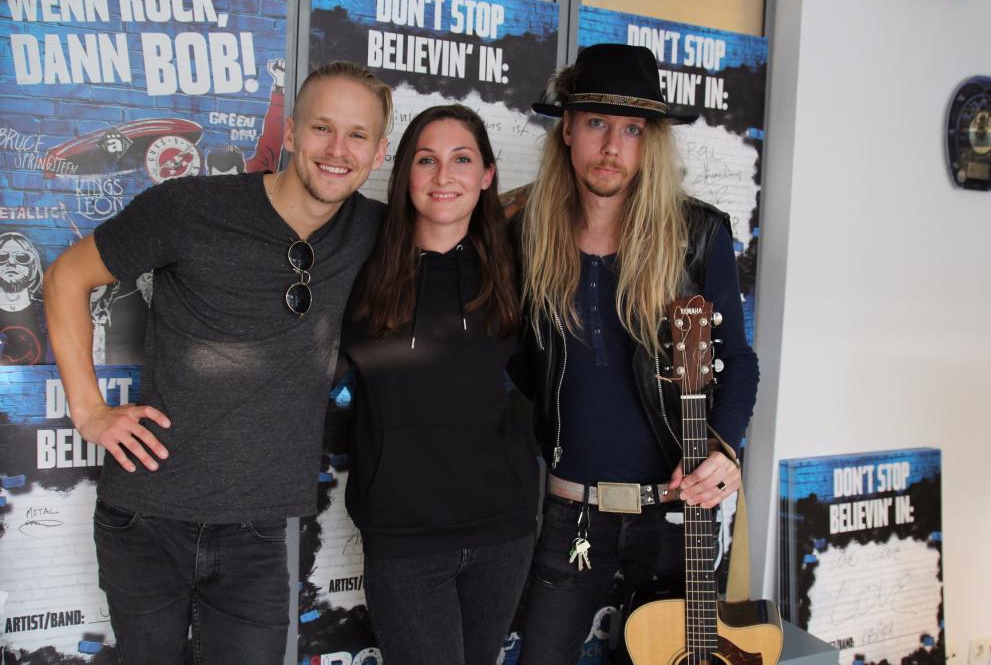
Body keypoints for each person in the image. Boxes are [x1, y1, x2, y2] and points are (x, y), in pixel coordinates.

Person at [42, 60, 392, 664]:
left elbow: (467, 212)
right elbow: (67, 276)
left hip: (259, 528)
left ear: (379, 151)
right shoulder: (188, 208)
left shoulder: (373, 228)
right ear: (288, 133)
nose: (338, 150)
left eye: (358, 135)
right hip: (146, 519)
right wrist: (90, 411)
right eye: (321, 128)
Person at [512, 44, 760, 664]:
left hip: (675, 518)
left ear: (650, 142)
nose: (612, 146)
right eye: (596, 122)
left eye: (632, 129)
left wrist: (726, 450)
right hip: (572, 515)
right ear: (567, 128)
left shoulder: (697, 234)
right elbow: (508, 368)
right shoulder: (522, 232)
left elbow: (738, 359)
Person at [342, 104, 539, 665]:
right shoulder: (359, 268)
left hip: (503, 533)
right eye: (427, 160)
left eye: (462, 160)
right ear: (405, 173)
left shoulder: (515, 276)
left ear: (487, 176)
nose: (444, 176)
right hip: (404, 541)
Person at [0, 231, 48, 365]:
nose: (11, 263)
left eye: (22, 258)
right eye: (2, 257)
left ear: (32, 266)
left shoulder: (48, 312)